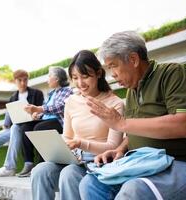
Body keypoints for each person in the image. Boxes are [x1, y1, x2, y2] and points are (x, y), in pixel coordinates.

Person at [80, 31, 186, 200]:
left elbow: (185, 125)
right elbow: (137, 131)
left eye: (113, 66)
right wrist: (119, 150)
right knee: (90, 184)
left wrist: (121, 123)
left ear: (133, 59)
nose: (112, 75)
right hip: (147, 165)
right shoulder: (132, 91)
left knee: (134, 190)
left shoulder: (172, 73)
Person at [31, 50, 125, 200]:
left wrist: (80, 143)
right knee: (40, 171)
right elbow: (68, 136)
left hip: (99, 162)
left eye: (85, 76)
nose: (80, 83)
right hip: (74, 159)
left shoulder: (115, 104)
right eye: (75, 78)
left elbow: (114, 146)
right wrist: (57, 147)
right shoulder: (71, 101)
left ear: (99, 73)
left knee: (69, 174)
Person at [0, 66, 73, 177]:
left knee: (39, 128)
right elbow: (45, 109)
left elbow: (60, 107)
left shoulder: (67, 91)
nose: (47, 79)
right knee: (25, 127)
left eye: (49, 76)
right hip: (46, 120)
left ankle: (40, 163)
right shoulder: (52, 93)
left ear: (56, 79)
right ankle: (28, 163)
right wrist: (37, 114)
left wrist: (39, 109)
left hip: (58, 121)